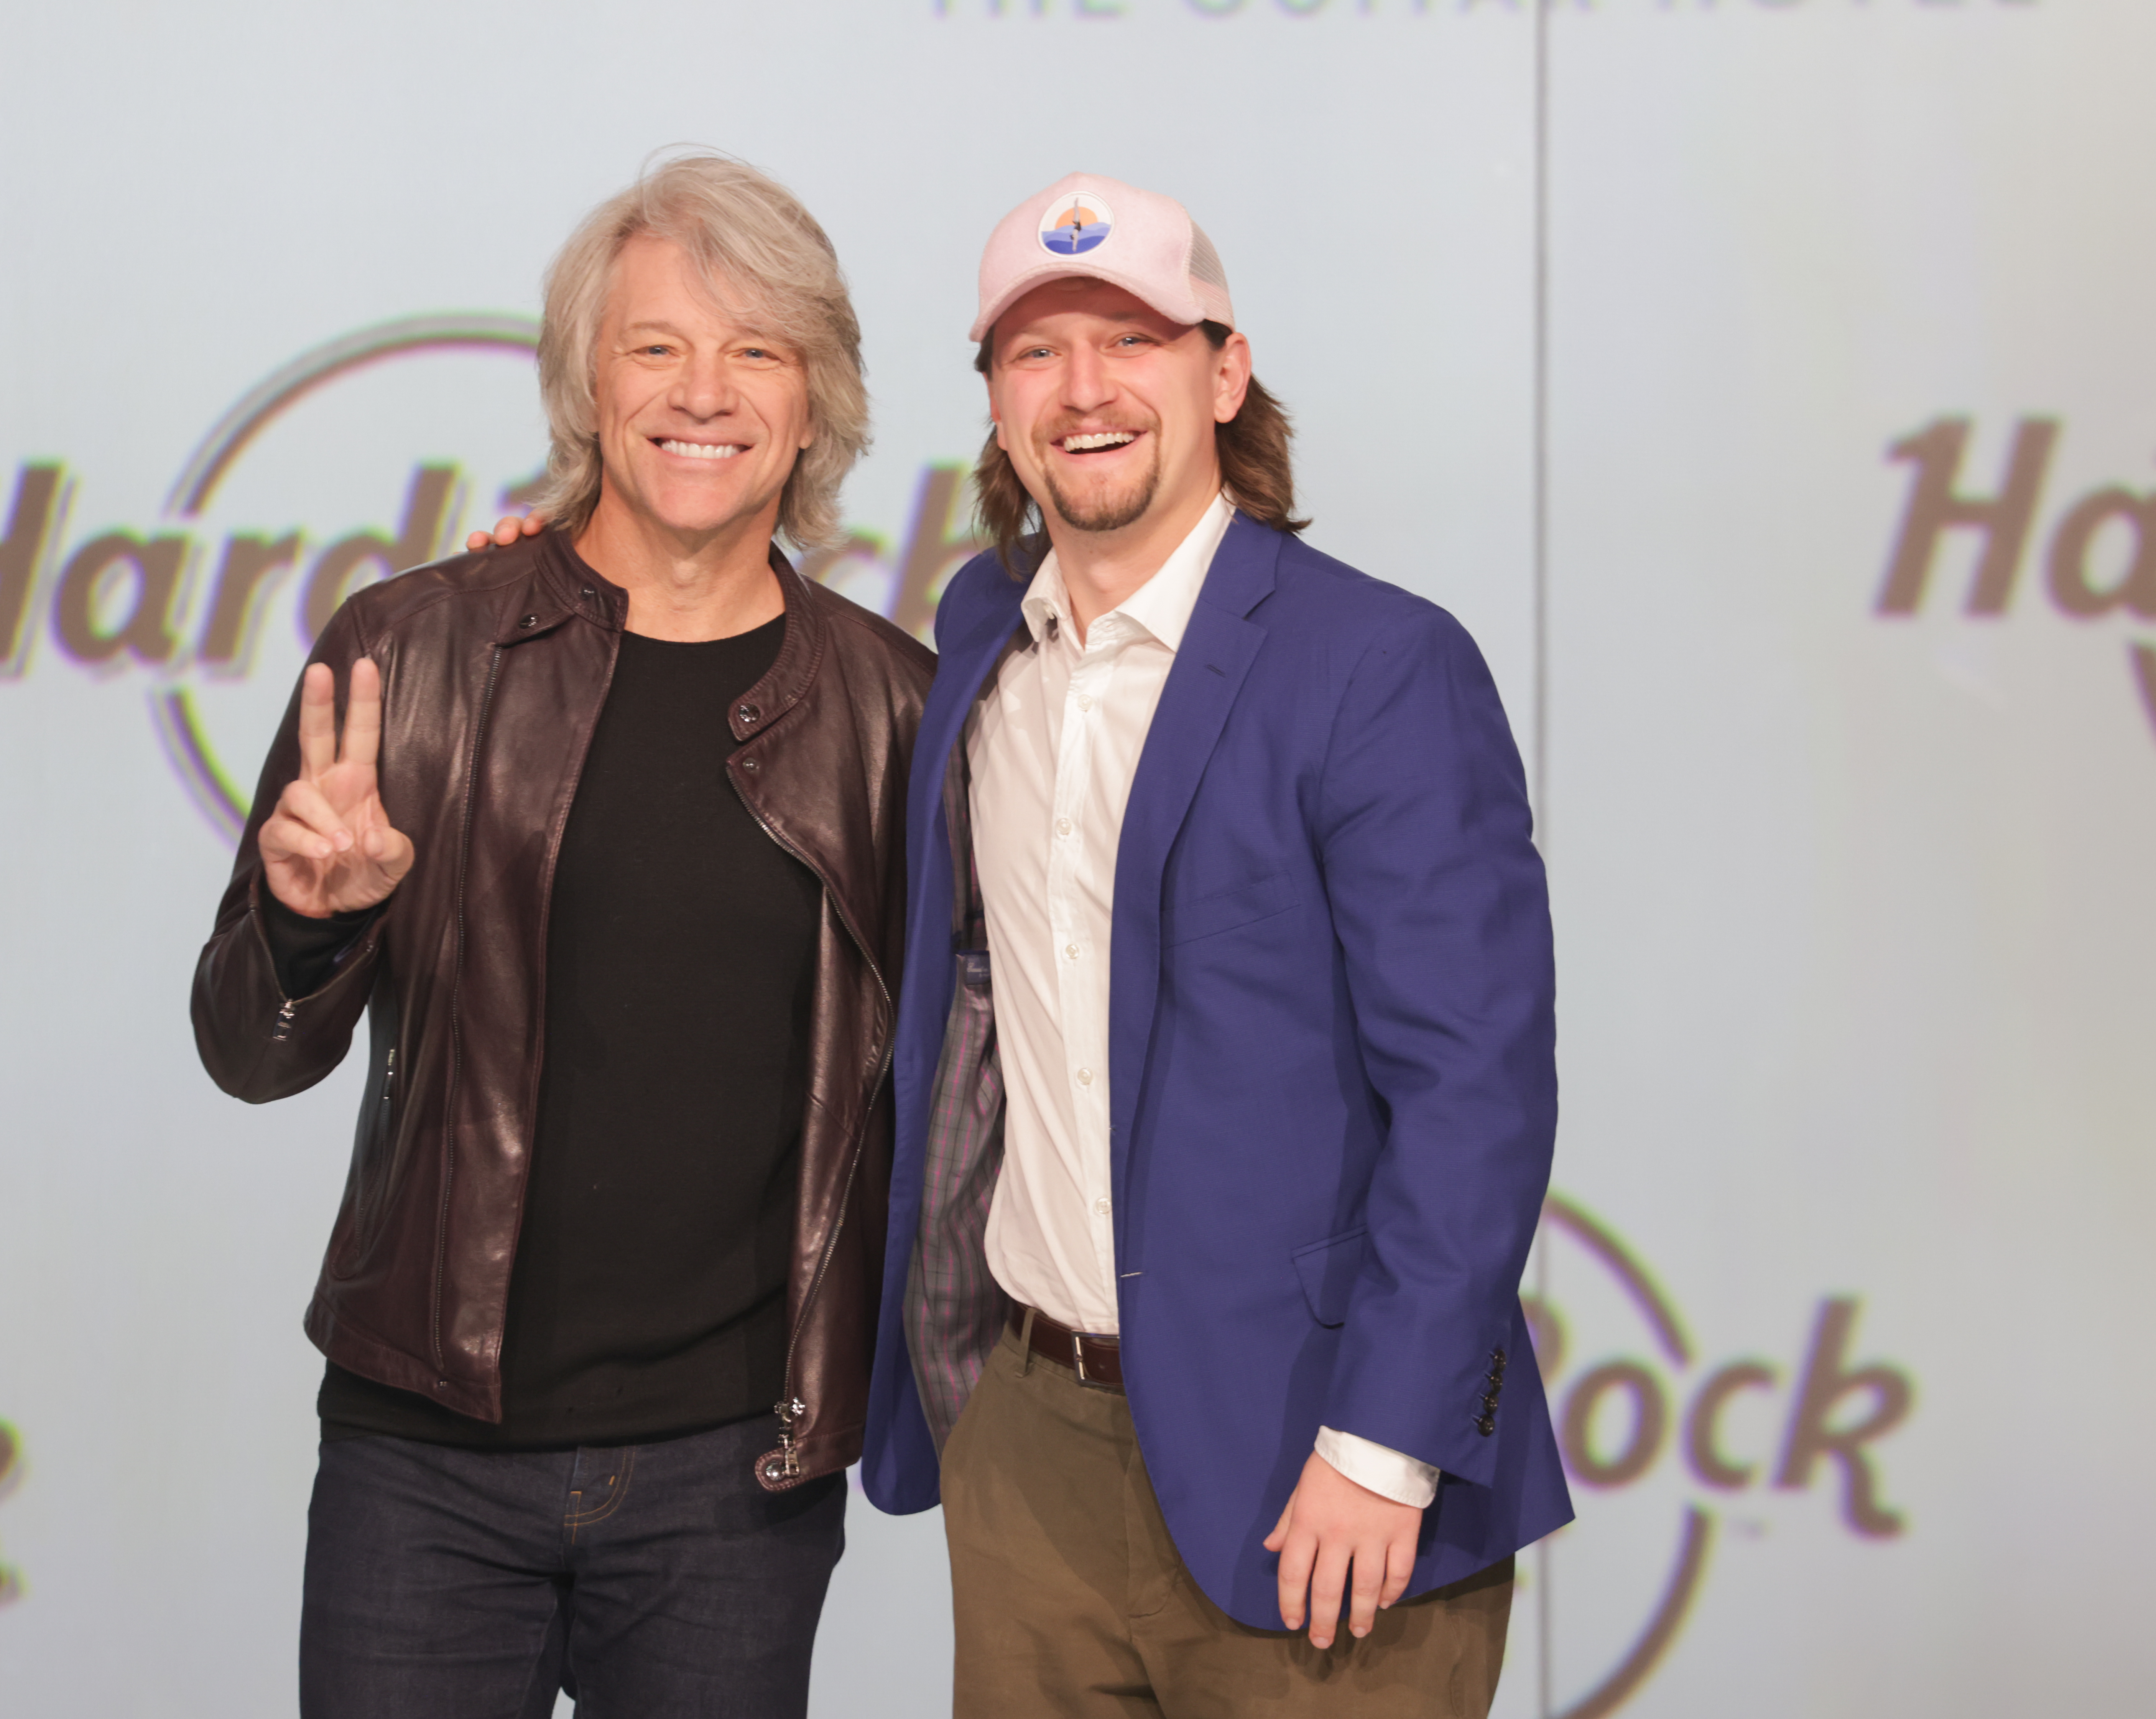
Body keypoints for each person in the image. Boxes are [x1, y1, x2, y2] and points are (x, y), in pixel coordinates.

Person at [190, 153, 933, 1719]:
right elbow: (245, 1048)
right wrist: (312, 928)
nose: (702, 393)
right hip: (427, 1461)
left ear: (817, 403)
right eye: (654, 345)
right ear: (587, 385)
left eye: (757, 350)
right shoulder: (412, 651)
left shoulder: (894, 708)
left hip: (735, 1473)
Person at [854, 173, 1573, 1716]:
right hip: (1031, 1446)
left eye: (1133, 339)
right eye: (1036, 354)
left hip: (1315, 1464)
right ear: (993, 404)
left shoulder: (1377, 666)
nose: (1086, 389)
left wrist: (1383, 1447)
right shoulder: (980, 631)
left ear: (1223, 373)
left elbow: (1476, 1095)